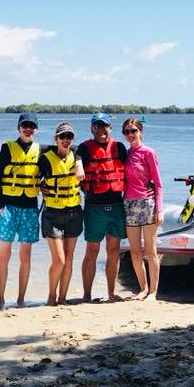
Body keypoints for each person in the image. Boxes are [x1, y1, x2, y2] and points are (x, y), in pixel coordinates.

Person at [75, 112, 127, 302]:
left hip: (116, 206)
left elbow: (132, 172)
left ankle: (111, 293)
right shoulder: (84, 148)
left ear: (110, 128)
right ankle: (87, 295)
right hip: (94, 206)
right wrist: (78, 164)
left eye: (104, 126)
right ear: (91, 129)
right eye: (97, 126)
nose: (101, 130)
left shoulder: (120, 148)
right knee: (92, 251)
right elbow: (75, 156)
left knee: (114, 250)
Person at [0, 112, 40, 310]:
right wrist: (0, 205)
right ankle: (0, 300)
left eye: (31, 126)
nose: (27, 129)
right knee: (4, 253)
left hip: (29, 207)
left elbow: (69, 150)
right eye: (24, 126)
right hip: (9, 207)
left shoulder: (41, 150)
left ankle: (21, 300)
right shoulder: (7, 148)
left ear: (35, 129)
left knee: (26, 255)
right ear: (18, 128)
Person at [37, 121, 82, 306]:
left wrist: (79, 162)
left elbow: (80, 150)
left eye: (69, 137)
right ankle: (51, 297)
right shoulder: (44, 156)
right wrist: (39, 185)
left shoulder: (77, 154)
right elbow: (33, 175)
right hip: (52, 214)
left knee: (69, 258)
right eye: (62, 136)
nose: (66, 140)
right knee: (60, 260)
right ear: (55, 138)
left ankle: (62, 298)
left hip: (73, 211)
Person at [121, 117, 163, 301]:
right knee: (135, 252)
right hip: (129, 204)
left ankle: (154, 292)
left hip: (147, 203)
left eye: (133, 131)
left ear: (141, 132)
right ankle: (143, 289)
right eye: (127, 132)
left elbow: (159, 184)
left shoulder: (149, 153)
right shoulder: (125, 154)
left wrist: (159, 209)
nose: (130, 135)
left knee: (150, 251)